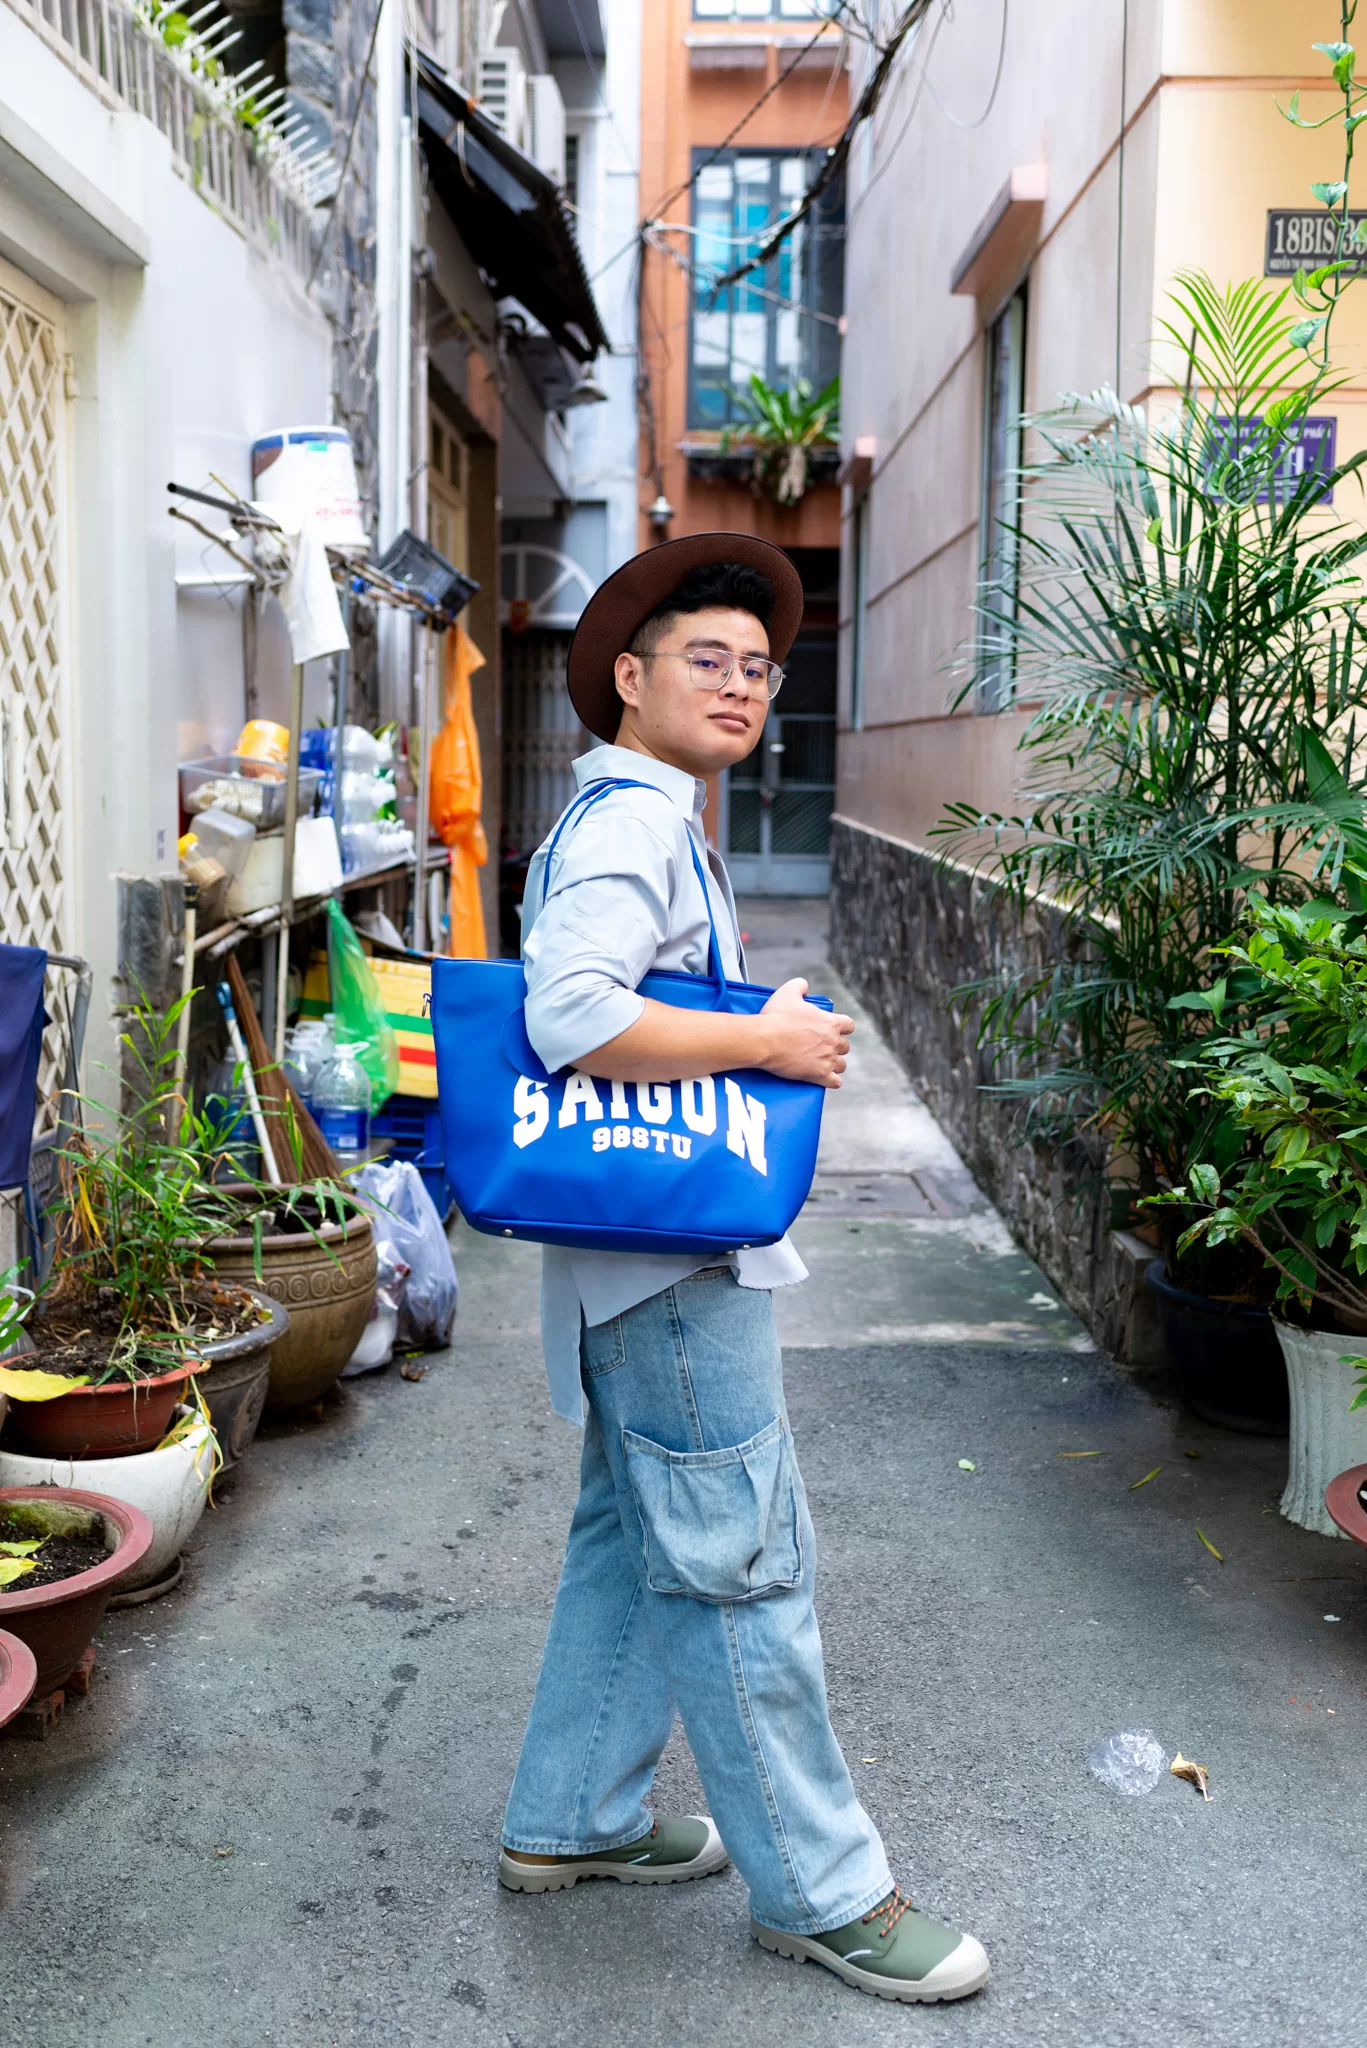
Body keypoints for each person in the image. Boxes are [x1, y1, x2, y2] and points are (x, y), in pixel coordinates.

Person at [496, 533, 989, 2006]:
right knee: (739, 1566)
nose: (739, 683)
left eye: (759, 668)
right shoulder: (633, 822)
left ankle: (567, 1820)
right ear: (627, 678)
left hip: (627, 1262)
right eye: (704, 658)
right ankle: (823, 1894)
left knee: (634, 1542)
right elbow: (570, 1012)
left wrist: (741, 1016)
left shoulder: (642, 817)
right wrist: (766, 1040)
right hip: (667, 1270)